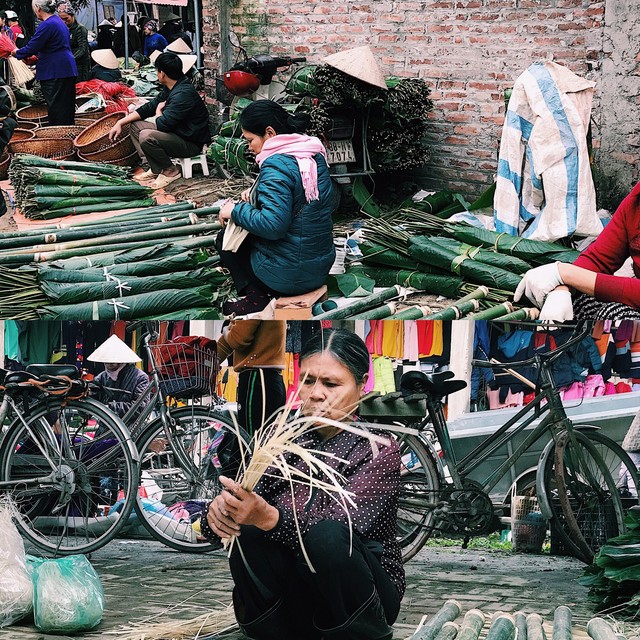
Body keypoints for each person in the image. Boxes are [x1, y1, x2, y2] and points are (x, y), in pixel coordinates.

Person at [203, 328, 404, 640]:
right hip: (295, 596)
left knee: (327, 536)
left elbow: (340, 526)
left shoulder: (378, 448)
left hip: (359, 598)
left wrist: (268, 517)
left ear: (362, 385)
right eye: (308, 381)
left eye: (331, 383)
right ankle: (276, 630)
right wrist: (221, 513)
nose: (316, 393)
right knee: (247, 532)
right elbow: (242, 507)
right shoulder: (279, 438)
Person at [217, 100, 335, 316]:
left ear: (269, 132)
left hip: (289, 277)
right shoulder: (312, 153)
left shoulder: (276, 165)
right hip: (320, 268)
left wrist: (234, 210)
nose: (250, 147)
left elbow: (273, 226)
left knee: (225, 239)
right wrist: (257, 195)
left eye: (250, 140)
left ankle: (256, 297)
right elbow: (305, 203)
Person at [515, 181, 640, 320]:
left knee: (618, 320)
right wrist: (562, 288)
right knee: (579, 303)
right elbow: (599, 259)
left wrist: (565, 273)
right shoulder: (635, 203)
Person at [108, 51, 210, 190]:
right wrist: (120, 122)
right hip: (177, 133)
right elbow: (149, 107)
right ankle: (154, 167)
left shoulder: (183, 94)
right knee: (135, 126)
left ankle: (170, 171)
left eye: (157, 71)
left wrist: (158, 112)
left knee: (146, 135)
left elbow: (162, 124)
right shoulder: (172, 87)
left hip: (190, 143)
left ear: (162, 73)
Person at [216, 320, 286, 438]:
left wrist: (226, 330)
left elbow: (238, 339)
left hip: (257, 377)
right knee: (259, 439)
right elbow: (230, 341)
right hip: (268, 377)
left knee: (250, 440)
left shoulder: (253, 307)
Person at [12, 0, 77, 126]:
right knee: (66, 109)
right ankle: (68, 136)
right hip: (66, 68)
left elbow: (32, 47)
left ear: (37, 8)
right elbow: (52, 47)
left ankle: (58, 139)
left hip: (55, 71)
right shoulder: (58, 21)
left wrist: (15, 52)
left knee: (56, 109)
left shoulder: (47, 24)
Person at [87, 334, 150, 424]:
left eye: (112, 359)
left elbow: (140, 408)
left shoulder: (140, 377)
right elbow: (92, 401)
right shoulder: (101, 378)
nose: (109, 363)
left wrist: (109, 408)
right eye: (106, 359)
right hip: (106, 429)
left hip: (131, 430)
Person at [57, 3, 90, 82]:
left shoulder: (80, 29)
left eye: (66, 18)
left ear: (72, 16)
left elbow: (82, 49)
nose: (64, 21)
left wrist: (69, 59)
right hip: (67, 65)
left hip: (80, 66)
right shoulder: (62, 29)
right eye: (61, 19)